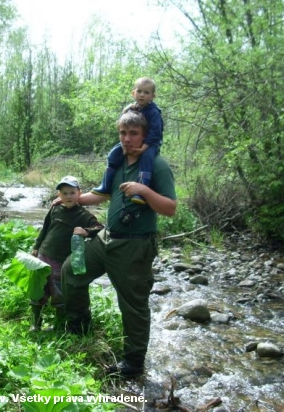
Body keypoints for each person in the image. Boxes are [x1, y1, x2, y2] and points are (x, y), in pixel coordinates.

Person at [61, 109, 177, 378]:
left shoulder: (157, 165)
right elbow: (101, 195)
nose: (127, 139)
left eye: (133, 133)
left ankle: (133, 363)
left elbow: (170, 208)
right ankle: (79, 327)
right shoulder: (117, 161)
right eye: (123, 133)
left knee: (133, 306)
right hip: (106, 238)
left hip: (135, 246)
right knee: (71, 270)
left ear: (145, 135)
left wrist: (144, 191)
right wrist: (73, 200)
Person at [30, 176, 103, 332]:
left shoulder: (83, 215)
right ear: (59, 195)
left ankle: (58, 325)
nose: (68, 196)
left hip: (61, 261)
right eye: (64, 193)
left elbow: (99, 228)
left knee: (59, 293)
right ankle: (35, 324)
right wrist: (36, 247)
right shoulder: (55, 209)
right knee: (38, 290)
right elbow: (45, 229)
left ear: (79, 194)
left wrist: (86, 232)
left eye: (72, 192)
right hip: (43, 255)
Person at [91, 77, 163, 205]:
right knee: (113, 154)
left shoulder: (153, 112)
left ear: (153, 96)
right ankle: (106, 186)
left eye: (146, 93)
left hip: (151, 144)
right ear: (133, 93)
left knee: (146, 159)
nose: (142, 95)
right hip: (136, 142)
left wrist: (143, 148)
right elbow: (124, 123)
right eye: (139, 91)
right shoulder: (134, 108)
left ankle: (140, 192)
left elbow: (155, 133)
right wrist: (127, 109)